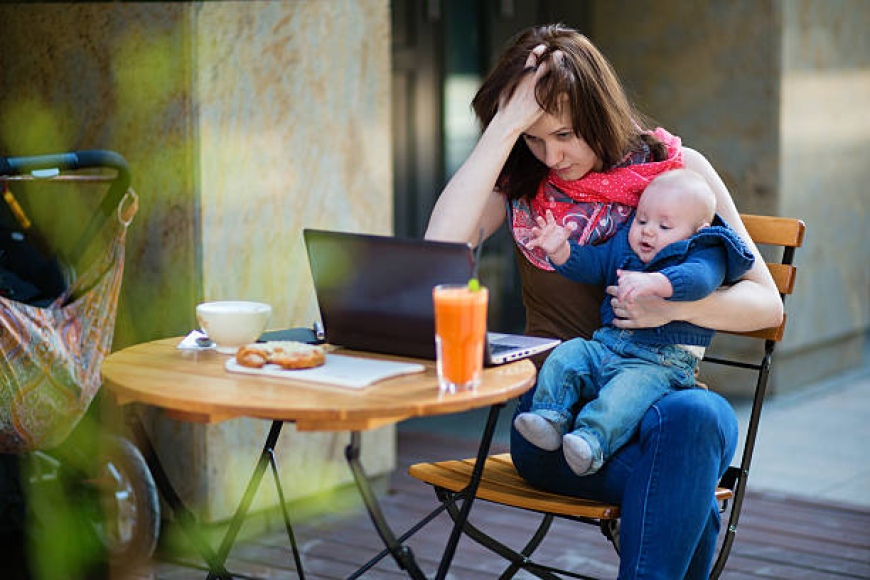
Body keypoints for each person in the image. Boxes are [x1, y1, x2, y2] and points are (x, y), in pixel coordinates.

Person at [424, 23, 782, 579]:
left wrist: (670, 306)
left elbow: (767, 306)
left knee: (700, 415)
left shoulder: (676, 173)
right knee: (685, 470)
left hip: (656, 402)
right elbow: (438, 252)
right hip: (556, 422)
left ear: (598, 111)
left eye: (564, 134)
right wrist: (504, 128)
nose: (550, 156)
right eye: (533, 137)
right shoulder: (519, 181)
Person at [514, 168, 755, 477]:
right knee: (569, 354)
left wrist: (657, 282)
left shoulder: (705, 251)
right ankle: (550, 417)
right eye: (642, 220)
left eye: (664, 225)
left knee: (625, 395)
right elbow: (594, 265)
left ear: (698, 230)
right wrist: (562, 252)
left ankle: (592, 440)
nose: (648, 231)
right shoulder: (625, 245)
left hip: (659, 363)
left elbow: (701, 280)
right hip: (606, 345)